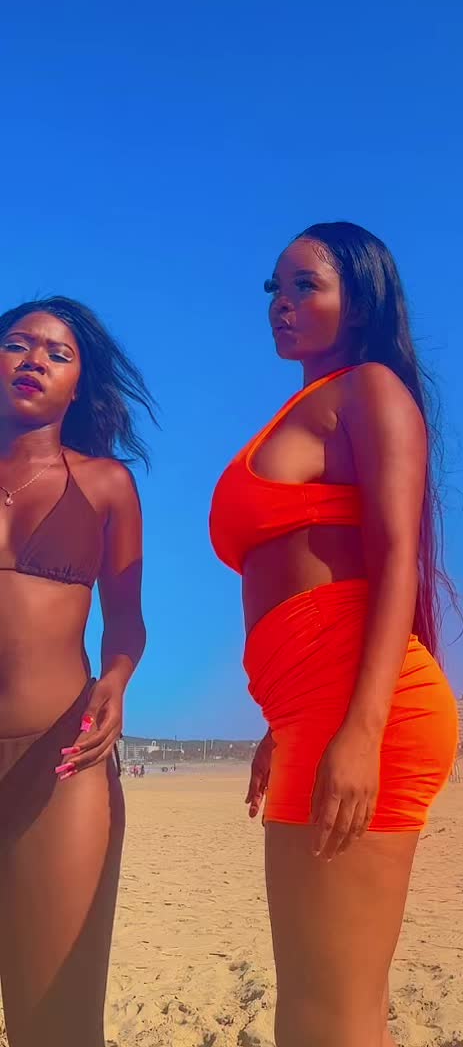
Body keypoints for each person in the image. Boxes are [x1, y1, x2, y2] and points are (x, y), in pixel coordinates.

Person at [210, 221, 459, 1047]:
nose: (280, 304)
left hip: (361, 711)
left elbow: (395, 564)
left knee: (327, 1014)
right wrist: (279, 723)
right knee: (331, 1006)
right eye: (273, 289)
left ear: (360, 301)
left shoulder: (370, 390)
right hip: (310, 711)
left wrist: (361, 729)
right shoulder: (304, 407)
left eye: (304, 286)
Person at [0, 297, 155, 1047]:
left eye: (57, 354)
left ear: (77, 387)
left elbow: (125, 618)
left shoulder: (105, 484)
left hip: (60, 761)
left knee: (55, 1022)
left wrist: (115, 681)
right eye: (18, 344)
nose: (34, 360)